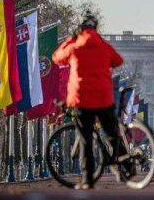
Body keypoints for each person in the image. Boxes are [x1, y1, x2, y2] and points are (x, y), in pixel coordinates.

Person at [52, 10, 124, 190]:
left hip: (82, 100)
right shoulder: (103, 45)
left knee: (85, 139)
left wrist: (70, 39)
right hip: (103, 98)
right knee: (112, 134)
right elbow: (118, 61)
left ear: (81, 29)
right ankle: (126, 165)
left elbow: (57, 58)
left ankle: (87, 178)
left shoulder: (75, 46)